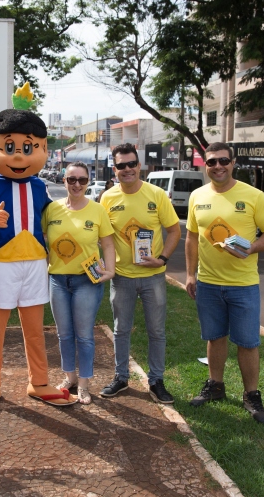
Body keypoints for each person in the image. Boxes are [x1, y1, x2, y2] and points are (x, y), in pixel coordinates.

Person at [0, 96, 77, 414]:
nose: (18, 155)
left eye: (28, 148)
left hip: (34, 264)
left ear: (41, 149)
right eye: (9, 146)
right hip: (0, 264)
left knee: (35, 330)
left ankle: (39, 382)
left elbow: (50, 223)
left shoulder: (40, 188)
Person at [185, 142, 264, 424]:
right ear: (205, 165)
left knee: (248, 342)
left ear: (233, 162)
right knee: (214, 337)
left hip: (243, 285)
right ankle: (215, 386)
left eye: (223, 161)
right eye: (212, 162)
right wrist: (190, 274)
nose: (218, 166)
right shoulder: (197, 196)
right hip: (209, 283)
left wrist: (251, 248)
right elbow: (192, 237)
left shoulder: (253, 196)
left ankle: (251, 395)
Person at [99, 143, 181, 404]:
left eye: (131, 164)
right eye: (121, 165)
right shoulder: (108, 198)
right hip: (122, 277)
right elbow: (104, 237)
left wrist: (162, 259)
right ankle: (121, 377)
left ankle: (156, 381)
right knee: (121, 330)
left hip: (153, 277)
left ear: (139, 165)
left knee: (156, 331)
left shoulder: (156, 194)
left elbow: (175, 231)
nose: (127, 169)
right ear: (115, 169)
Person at [43, 162, 116, 404]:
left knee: (84, 335)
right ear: (63, 181)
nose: (77, 184)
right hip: (58, 281)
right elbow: (42, 238)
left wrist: (111, 269)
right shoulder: (52, 210)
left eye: (82, 180)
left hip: (87, 281)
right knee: (64, 335)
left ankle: (84, 384)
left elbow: (107, 243)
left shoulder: (97, 210)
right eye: (71, 179)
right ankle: (70, 377)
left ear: (87, 182)